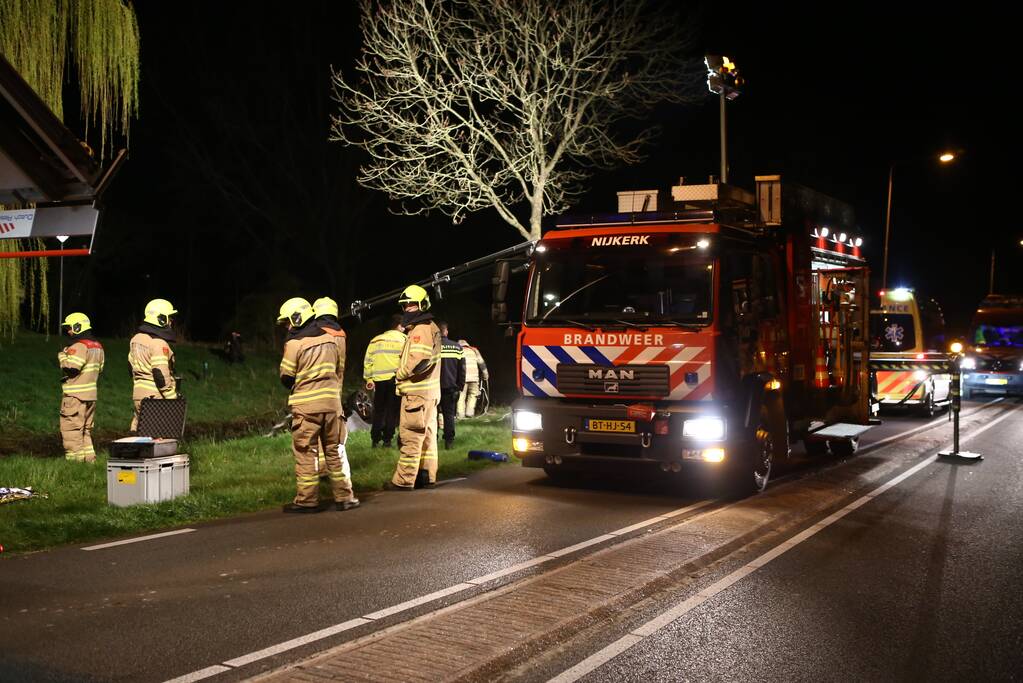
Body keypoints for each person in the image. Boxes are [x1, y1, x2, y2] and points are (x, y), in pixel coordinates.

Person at [278, 297, 359, 513]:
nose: (286, 326)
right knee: (335, 451)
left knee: (306, 452)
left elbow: (286, 376)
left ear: (296, 319)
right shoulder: (332, 339)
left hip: (307, 408)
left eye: (287, 322)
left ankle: (307, 501)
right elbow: (339, 370)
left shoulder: (295, 344)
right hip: (333, 406)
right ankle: (345, 497)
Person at [384, 285, 441, 491]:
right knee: (427, 438)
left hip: (417, 395)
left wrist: (399, 374)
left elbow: (420, 362)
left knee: (411, 437)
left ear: (423, 305)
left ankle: (404, 480)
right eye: (405, 305)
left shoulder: (420, 329)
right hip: (429, 395)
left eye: (412, 304)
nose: (408, 308)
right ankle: (425, 476)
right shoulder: (430, 326)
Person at [57, 313, 104, 462]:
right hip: (90, 396)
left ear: (78, 327)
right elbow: (100, 368)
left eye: (70, 328)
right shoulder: (97, 346)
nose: (69, 331)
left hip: (75, 397)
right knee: (85, 430)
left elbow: (71, 368)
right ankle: (90, 461)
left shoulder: (78, 346)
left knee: (71, 431)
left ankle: (74, 464)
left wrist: (62, 356)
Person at [128, 299, 178, 432]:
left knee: (140, 431)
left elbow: (130, 366)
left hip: (138, 394)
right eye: (169, 318)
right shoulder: (158, 343)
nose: (171, 322)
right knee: (157, 435)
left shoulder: (136, 339)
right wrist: (171, 397)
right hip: (155, 397)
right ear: (161, 319)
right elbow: (159, 374)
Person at [312, 297, 348, 477]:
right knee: (333, 430)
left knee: (316, 428)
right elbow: (340, 367)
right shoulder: (341, 333)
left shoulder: (317, 333)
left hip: (317, 388)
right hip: (335, 389)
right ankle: (335, 467)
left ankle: (321, 467)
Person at [363, 314, 406, 448]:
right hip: (395, 380)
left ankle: (375, 439)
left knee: (379, 410)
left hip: (378, 381)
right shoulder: (404, 339)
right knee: (392, 411)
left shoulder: (375, 340)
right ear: (399, 326)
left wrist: (369, 379)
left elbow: (368, 361)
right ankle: (387, 440)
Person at [437, 321, 465, 449]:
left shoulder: (433, 347)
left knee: (433, 416)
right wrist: (460, 386)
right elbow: (462, 369)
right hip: (451, 387)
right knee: (449, 415)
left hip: (434, 388)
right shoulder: (457, 347)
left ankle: (432, 440)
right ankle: (449, 442)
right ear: (446, 331)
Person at [457, 339, 489, 418]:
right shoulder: (474, 350)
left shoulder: (457, 351)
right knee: (473, 395)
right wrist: (485, 374)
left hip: (462, 378)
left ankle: (460, 415)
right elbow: (482, 363)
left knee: (461, 396)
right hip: (474, 378)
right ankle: (469, 413)